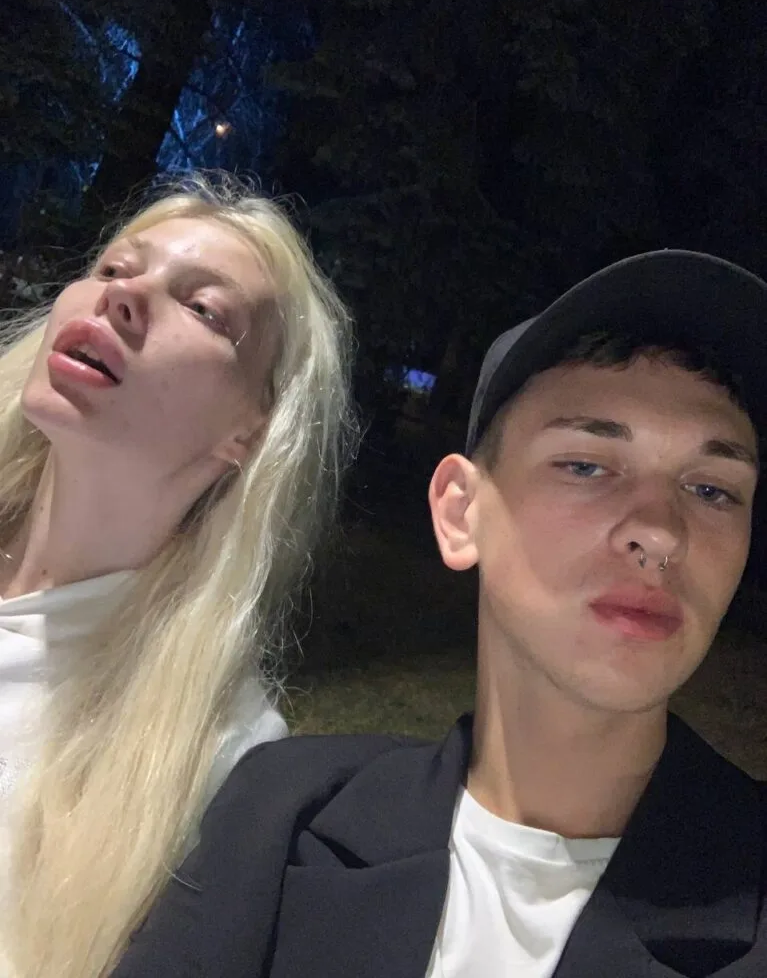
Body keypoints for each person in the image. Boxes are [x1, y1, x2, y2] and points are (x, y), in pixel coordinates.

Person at [112, 250, 767, 978]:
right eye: (587, 465)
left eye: (712, 490)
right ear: (460, 514)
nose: (662, 533)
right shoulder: (283, 818)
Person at [0, 173, 355, 978]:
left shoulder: (219, 755)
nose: (123, 297)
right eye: (115, 268)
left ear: (250, 431)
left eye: (203, 308)